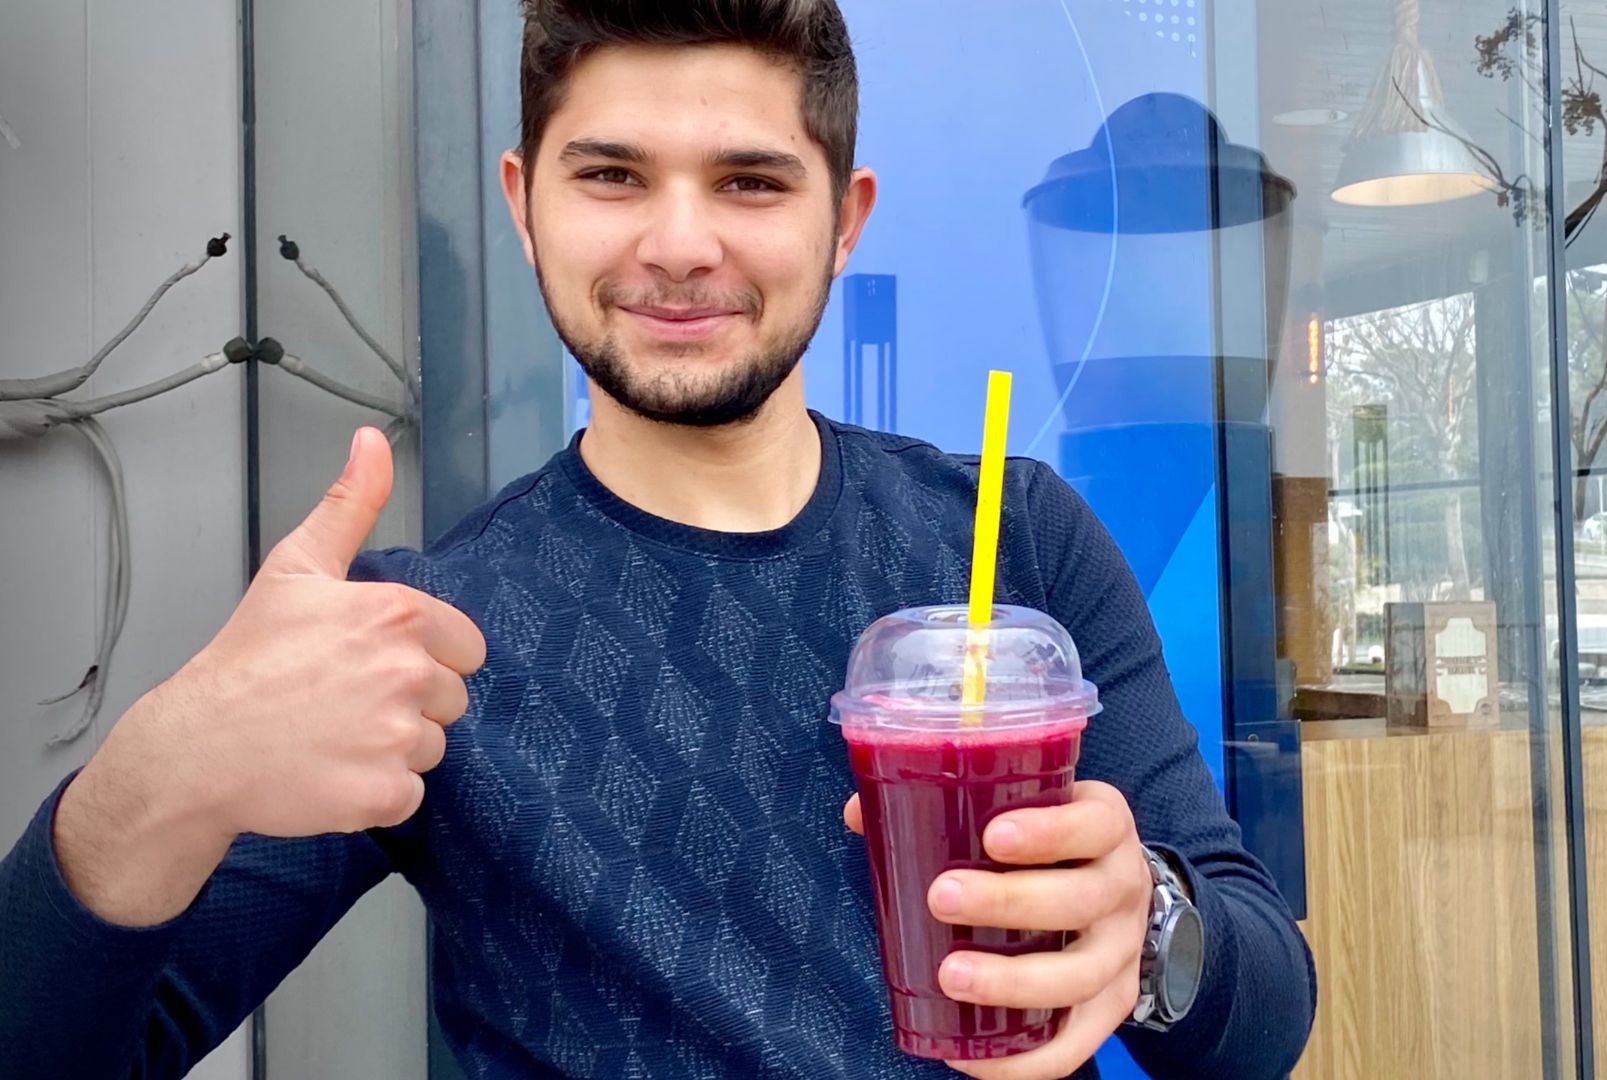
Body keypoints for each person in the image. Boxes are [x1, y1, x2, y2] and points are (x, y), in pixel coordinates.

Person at [0, 2, 1315, 1076]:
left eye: (749, 181)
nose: (679, 245)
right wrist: (157, 774)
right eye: (612, 175)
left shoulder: (1016, 536)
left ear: (844, 219)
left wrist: (1144, 922)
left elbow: (1260, 1017)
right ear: (524, 205)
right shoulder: (421, 637)